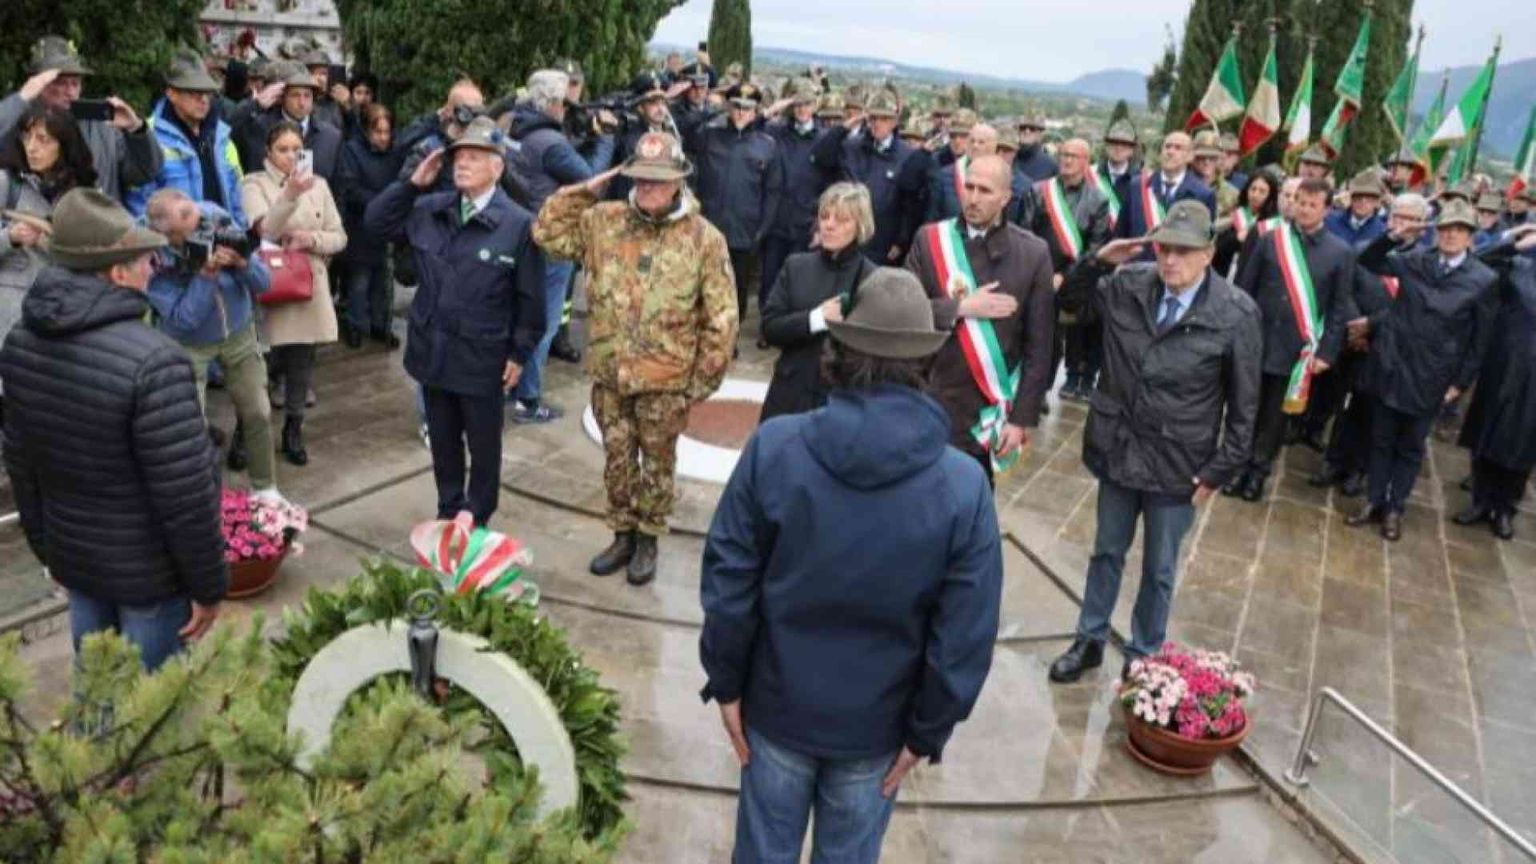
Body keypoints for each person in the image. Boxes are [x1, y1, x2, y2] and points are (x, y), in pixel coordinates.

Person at [699, 265, 1001, 864]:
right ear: (925, 363)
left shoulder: (776, 447)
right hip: (878, 731)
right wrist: (928, 731)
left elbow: (730, 579)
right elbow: (965, 633)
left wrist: (726, 679)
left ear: (838, 350)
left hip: (778, 710)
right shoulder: (963, 486)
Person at [0, 189, 225, 671]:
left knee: (99, 697)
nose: (153, 267)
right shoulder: (155, 361)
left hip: (78, 562)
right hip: (150, 577)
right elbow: (185, 494)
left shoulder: (19, 342)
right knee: (152, 717)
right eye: (144, 259)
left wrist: (51, 552)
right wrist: (208, 586)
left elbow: (22, 463)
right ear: (117, 273)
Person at [1048, 201, 1261, 682]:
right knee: (1106, 551)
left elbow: (1245, 410)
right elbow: (1069, 304)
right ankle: (1089, 639)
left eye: (1184, 252)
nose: (1171, 261)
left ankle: (1143, 654)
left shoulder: (1235, 313)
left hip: (1178, 465)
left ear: (1209, 253)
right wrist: (1100, 260)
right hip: (1119, 449)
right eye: (1164, 248)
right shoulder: (1128, 285)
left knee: (1159, 570)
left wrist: (1217, 472)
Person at [533, 132, 737, 585]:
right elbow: (546, 234)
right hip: (611, 375)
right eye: (640, 179)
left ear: (679, 182)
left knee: (658, 465)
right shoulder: (603, 221)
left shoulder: (705, 239)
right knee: (617, 458)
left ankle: (648, 539)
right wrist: (584, 189)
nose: (647, 188)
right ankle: (622, 533)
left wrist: (697, 385)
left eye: (657, 180)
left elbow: (721, 320)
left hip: (667, 380)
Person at [367, 117, 542, 527]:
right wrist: (411, 185)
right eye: (459, 156)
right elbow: (375, 224)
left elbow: (530, 298)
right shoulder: (431, 209)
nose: (462, 164)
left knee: (483, 448)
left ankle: (476, 516)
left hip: (482, 356)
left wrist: (520, 352)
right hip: (433, 353)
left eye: (475, 157)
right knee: (443, 444)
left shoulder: (517, 224)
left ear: (497, 167)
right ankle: (449, 511)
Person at [1346, 200, 1497, 541]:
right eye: (1445, 229)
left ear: (1471, 236)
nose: (1450, 236)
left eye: (1459, 230)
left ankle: (1395, 507)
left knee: (1410, 447)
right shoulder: (1416, 261)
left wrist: (1460, 383)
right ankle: (1373, 501)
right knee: (1381, 440)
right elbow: (1368, 261)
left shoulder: (1483, 279)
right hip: (1393, 366)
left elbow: (1480, 339)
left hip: (1433, 376)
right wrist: (1394, 236)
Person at [906, 155, 1055, 484]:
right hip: (927, 398)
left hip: (983, 414)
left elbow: (1040, 346)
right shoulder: (929, 240)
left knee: (968, 509)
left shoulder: (1033, 253)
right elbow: (904, 313)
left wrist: (1020, 420)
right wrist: (958, 308)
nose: (972, 198)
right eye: (968, 187)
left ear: (1006, 197)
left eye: (984, 190)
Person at [1223, 177, 1353, 503]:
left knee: (1274, 417)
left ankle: (1258, 472)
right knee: (1244, 408)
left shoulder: (1340, 252)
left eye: (1312, 204)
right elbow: (1245, 288)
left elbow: (1338, 310)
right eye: (1300, 202)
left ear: (1326, 209)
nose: (1304, 209)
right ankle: (1236, 466)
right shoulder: (1271, 240)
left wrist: (1327, 352)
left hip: (1295, 350)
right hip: (1257, 339)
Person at [144, 187, 277, 484]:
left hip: (239, 332)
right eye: (190, 230)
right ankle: (203, 497)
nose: (202, 229)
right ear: (170, 237)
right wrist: (205, 275)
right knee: (190, 429)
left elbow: (264, 283)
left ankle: (265, 489)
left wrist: (243, 264)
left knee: (258, 412)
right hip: (189, 346)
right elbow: (182, 321)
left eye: (198, 218)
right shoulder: (152, 259)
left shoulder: (215, 218)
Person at [507, 69, 615, 424]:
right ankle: (529, 397)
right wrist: (605, 140)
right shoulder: (551, 143)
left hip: (522, 231)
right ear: (552, 104)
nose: (566, 110)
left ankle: (510, 387)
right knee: (545, 322)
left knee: (520, 319)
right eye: (563, 103)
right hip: (551, 240)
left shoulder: (517, 130)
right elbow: (591, 181)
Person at [1310, 193, 1432, 498]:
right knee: (1345, 406)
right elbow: (1345, 290)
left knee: (1374, 413)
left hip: (1387, 349)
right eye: (1397, 216)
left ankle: (1358, 469)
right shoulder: (1369, 249)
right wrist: (1356, 325)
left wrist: (1372, 327)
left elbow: (1410, 309)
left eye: (1409, 219)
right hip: (1354, 342)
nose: (1401, 224)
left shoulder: (1424, 263)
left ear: (1421, 225)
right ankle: (1333, 462)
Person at [241, 121, 348, 467]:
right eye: (282, 149)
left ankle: (293, 428)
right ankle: (248, 430)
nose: (290, 156)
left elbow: (339, 236)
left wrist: (311, 239)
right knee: (261, 366)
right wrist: (290, 194)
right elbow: (264, 228)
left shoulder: (320, 185)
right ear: (268, 153)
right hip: (271, 284)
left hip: (309, 286)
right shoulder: (254, 183)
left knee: (302, 365)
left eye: (296, 149)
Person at [759, 183, 875, 420]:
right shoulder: (796, 266)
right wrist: (816, 319)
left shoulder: (871, 278)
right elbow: (770, 328)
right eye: (824, 216)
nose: (829, 225)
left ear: (860, 226)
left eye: (841, 220)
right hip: (789, 395)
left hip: (840, 405)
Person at [0, 36, 162, 204]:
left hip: (100, 226)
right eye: (60, 83)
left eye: (75, 83)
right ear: (36, 83)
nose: (70, 92)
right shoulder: (14, 124)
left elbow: (144, 174)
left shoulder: (102, 126)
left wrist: (136, 129)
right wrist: (21, 98)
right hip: (32, 225)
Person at [1014, 138, 1112, 403]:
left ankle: (1040, 391)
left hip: (1070, 284)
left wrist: (1065, 277)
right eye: (1064, 154)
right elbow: (1024, 233)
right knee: (1024, 335)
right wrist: (1039, 272)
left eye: (1074, 156)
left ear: (1085, 161)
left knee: (1053, 342)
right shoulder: (1039, 191)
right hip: (1035, 275)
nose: (1067, 160)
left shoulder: (1098, 200)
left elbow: (1096, 248)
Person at [0, 104, 99, 368]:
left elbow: (100, 256)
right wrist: (10, 237)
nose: (31, 147)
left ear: (64, 144)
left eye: (42, 139)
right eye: (26, 137)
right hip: (11, 319)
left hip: (65, 316)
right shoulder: (7, 183)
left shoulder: (85, 193)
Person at [1455, 224, 1536, 539]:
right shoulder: (1521, 264)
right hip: (1502, 364)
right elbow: (1476, 262)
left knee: (1522, 445)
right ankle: (1479, 500)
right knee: (1487, 433)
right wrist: (1514, 240)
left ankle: (1504, 508)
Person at [684, 82, 781, 325]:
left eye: (747, 108)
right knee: (700, 284)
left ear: (755, 111)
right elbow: (685, 128)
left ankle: (729, 338)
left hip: (744, 232)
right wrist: (713, 109)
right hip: (709, 227)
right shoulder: (709, 136)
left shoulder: (767, 145)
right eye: (736, 106)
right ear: (728, 107)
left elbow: (773, 192)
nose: (740, 113)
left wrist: (761, 231)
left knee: (735, 289)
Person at [125, 51, 245, 227]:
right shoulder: (147, 137)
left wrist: (238, 238)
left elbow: (236, 198)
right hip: (173, 246)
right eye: (194, 93)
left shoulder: (222, 137)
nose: (203, 100)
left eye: (207, 93)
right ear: (171, 93)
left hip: (223, 245)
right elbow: (140, 206)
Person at [812, 88, 925, 265]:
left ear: (895, 122)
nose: (877, 124)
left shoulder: (907, 156)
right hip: (847, 238)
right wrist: (844, 127)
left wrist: (901, 241)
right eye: (873, 118)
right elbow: (820, 157)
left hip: (882, 242)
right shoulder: (852, 147)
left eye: (884, 119)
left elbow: (910, 205)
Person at [760, 78, 835, 323]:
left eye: (807, 104)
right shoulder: (778, 132)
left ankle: (793, 324)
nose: (802, 110)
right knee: (770, 277)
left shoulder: (824, 140)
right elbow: (756, 124)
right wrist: (779, 105)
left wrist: (819, 225)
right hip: (777, 220)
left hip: (806, 222)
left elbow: (830, 188)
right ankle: (767, 323)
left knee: (800, 280)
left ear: (815, 106)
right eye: (798, 104)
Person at [336, 102, 403, 349]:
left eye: (387, 132)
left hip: (385, 228)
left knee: (383, 282)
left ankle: (380, 325)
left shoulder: (395, 154)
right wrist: (382, 202)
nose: (383, 138)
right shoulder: (352, 151)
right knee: (359, 282)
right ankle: (355, 325)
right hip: (360, 226)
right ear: (366, 130)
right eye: (378, 132)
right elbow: (350, 188)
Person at [230, 61, 343, 183]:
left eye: (307, 95)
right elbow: (229, 131)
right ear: (281, 97)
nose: (302, 103)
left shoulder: (331, 136)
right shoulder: (260, 128)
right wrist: (256, 104)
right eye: (295, 95)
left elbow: (339, 185)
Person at [1115, 132, 1216, 257]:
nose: (1170, 152)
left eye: (1178, 148)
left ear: (1190, 156)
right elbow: (1120, 233)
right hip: (1137, 268)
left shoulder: (1204, 194)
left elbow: (1204, 242)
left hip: (1177, 270)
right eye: (1167, 146)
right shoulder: (1136, 186)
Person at [1213, 168, 1280, 276]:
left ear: (1270, 195)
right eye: (1253, 189)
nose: (1255, 195)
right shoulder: (1235, 214)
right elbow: (1218, 248)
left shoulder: (1273, 223)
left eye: (1262, 191)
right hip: (1224, 273)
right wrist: (1236, 239)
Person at [925, 108, 978, 222]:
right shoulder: (936, 161)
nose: (957, 141)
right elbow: (931, 210)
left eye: (963, 136)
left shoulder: (983, 166)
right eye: (953, 135)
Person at [1325, 170, 1387, 246]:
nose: (1363, 201)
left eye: (1369, 197)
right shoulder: (1329, 220)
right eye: (1358, 196)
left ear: (1378, 202)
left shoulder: (1382, 232)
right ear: (1351, 198)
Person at [1191, 130, 1238, 219]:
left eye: (1212, 157)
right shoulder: (1181, 187)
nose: (1206, 162)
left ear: (1219, 159)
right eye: (1201, 157)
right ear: (1193, 159)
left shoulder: (1232, 194)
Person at [1014, 110, 1059, 181]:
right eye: (1023, 128)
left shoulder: (1051, 165)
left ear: (1040, 134)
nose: (1027, 131)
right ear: (1018, 132)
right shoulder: (1009, 158)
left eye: (1032, 129)